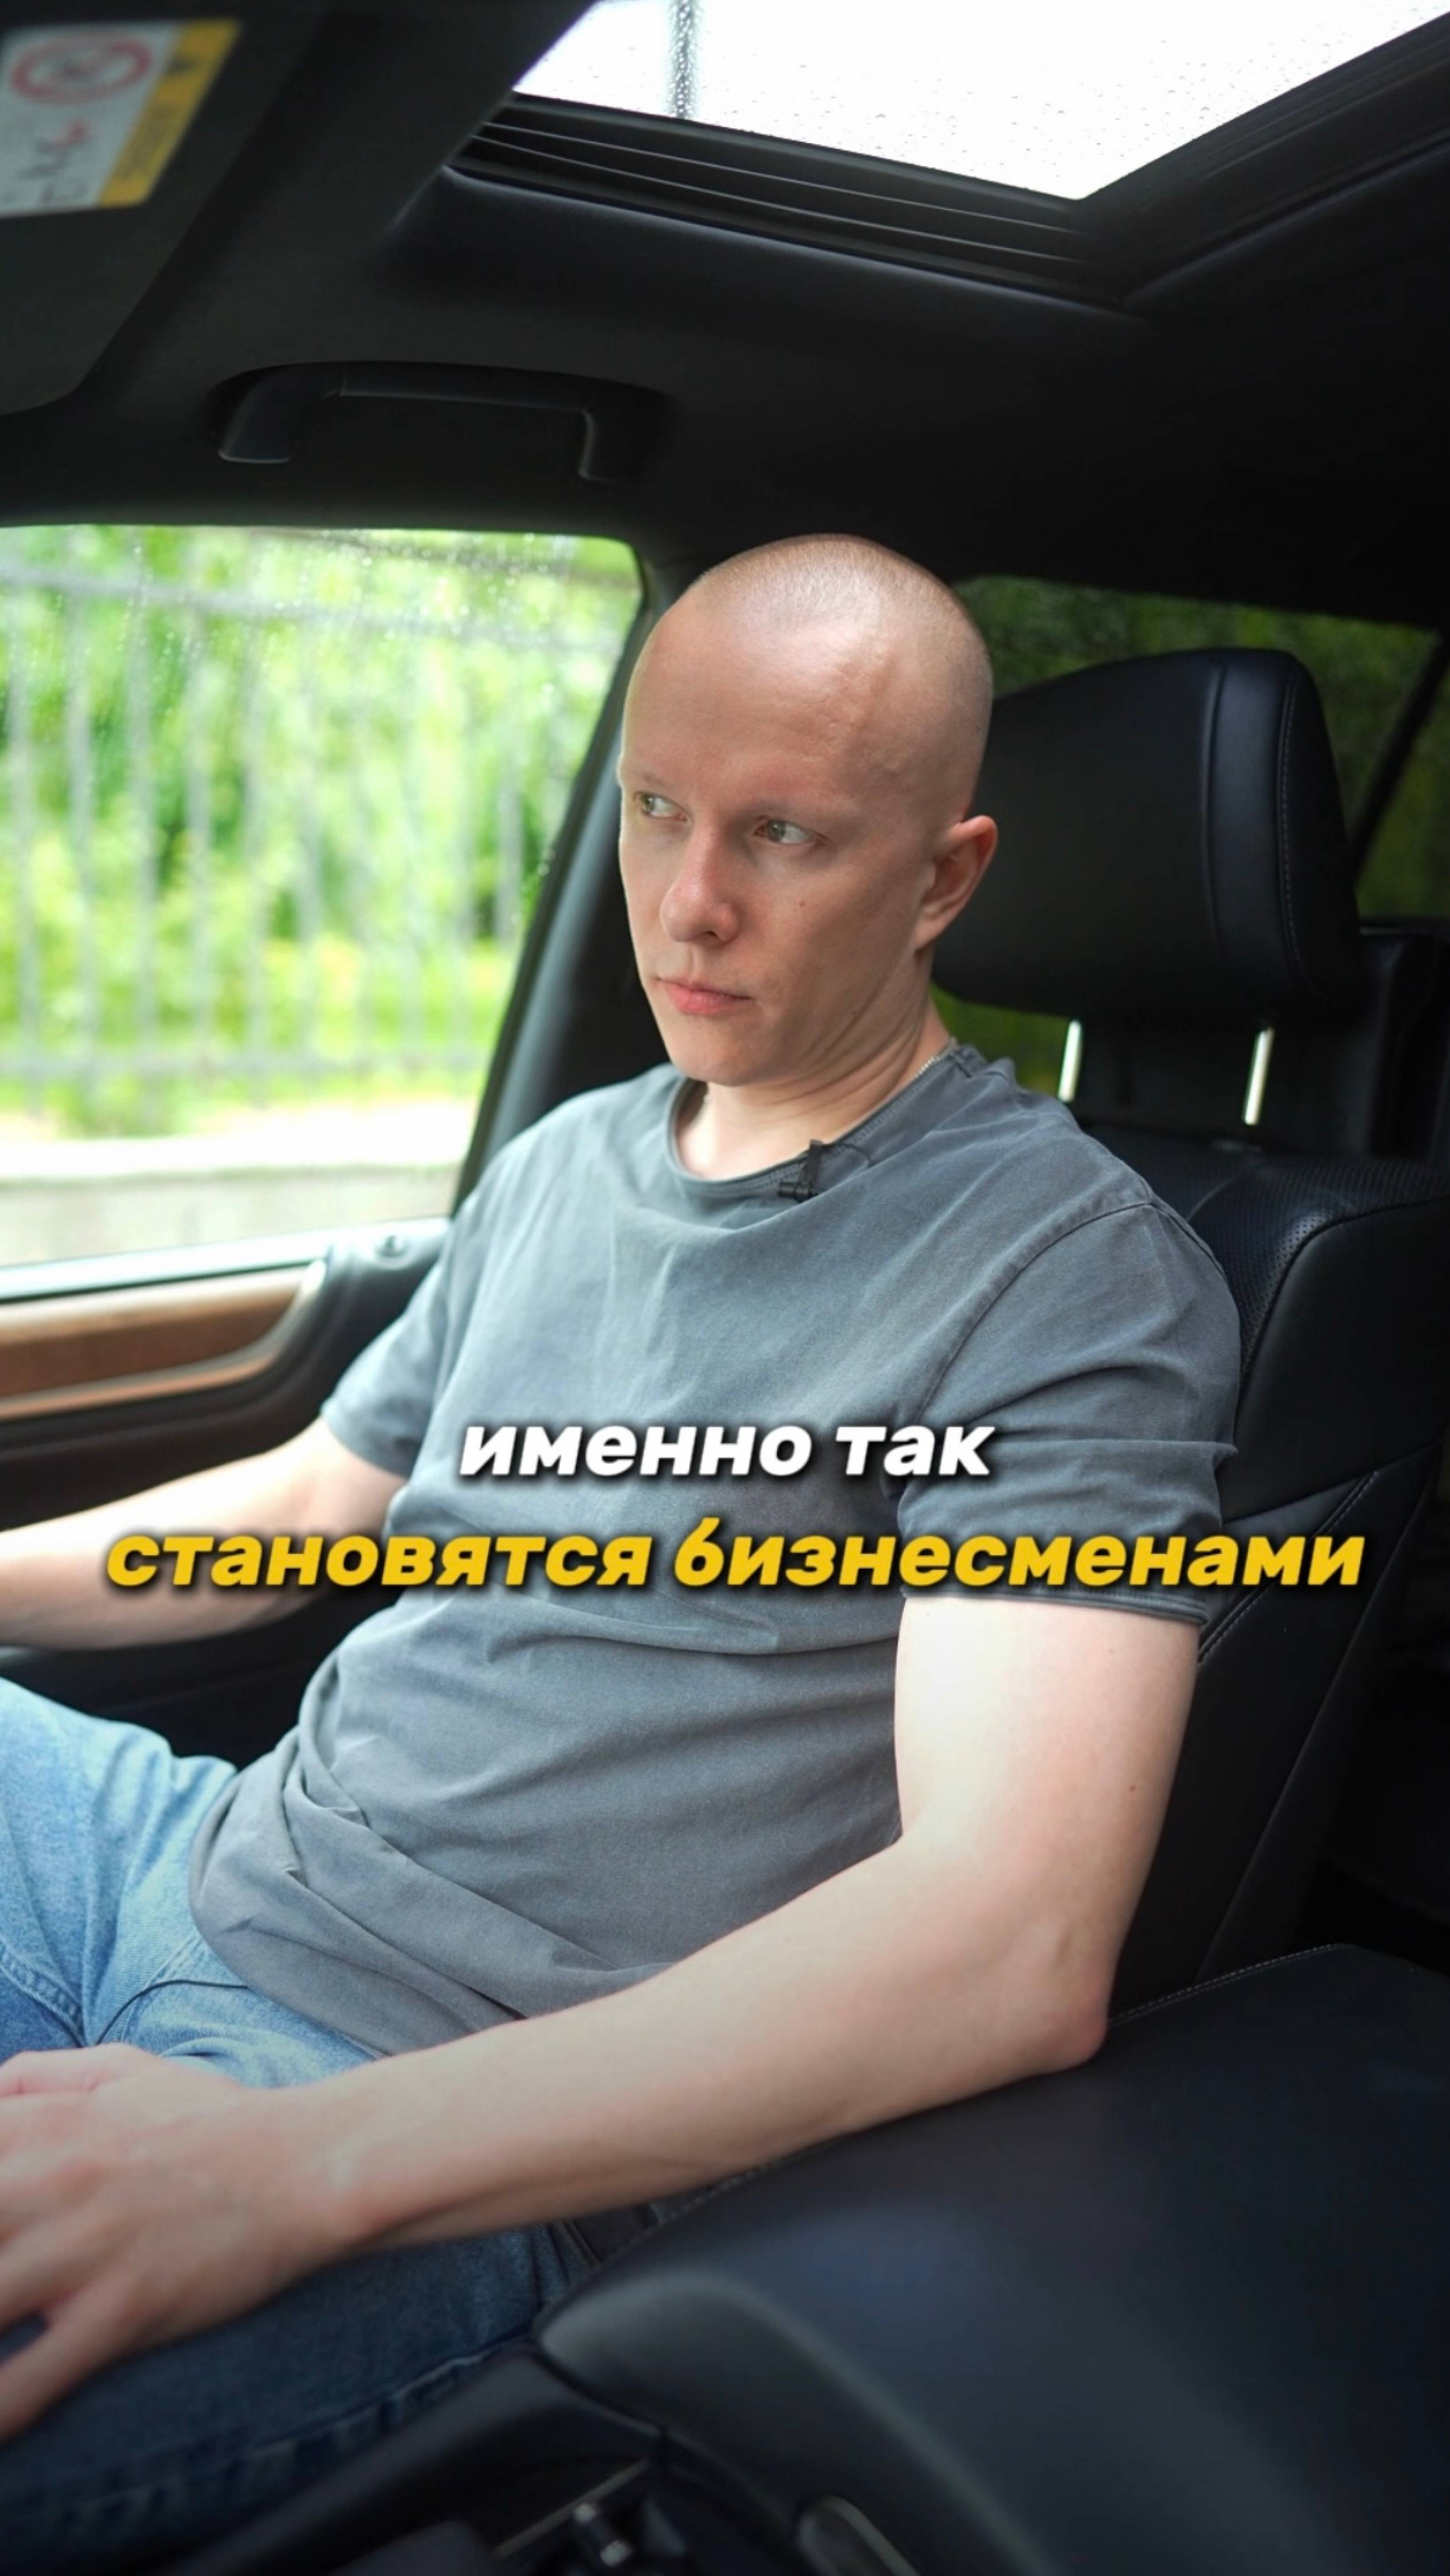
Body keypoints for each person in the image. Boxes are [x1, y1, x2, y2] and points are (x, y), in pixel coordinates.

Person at [0, 535, 1240, 2568]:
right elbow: (307, 1509)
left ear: (941, 879)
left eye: (782, 834)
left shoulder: (1065, 1276)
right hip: (182, 1850)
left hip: (430, 2088)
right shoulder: (570, 1157)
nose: (687, 900)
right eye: (657, 808)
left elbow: (1003, 1938)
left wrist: (291, 2168)